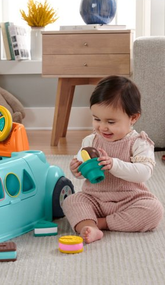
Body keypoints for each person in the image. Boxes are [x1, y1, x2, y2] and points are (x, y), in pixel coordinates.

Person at [62, 75, 163, 244]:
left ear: (133, 118)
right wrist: (76, 170)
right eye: (96, 119)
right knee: (72, 200)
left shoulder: (139, 142)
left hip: (130, 199)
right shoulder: (90, 141)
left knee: (154, 211)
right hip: (95, 199)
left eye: (111, 121)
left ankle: (99, 223)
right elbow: (83, 170)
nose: (102, 127)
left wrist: (114, 164)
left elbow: (144, 173)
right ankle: (89, 225)